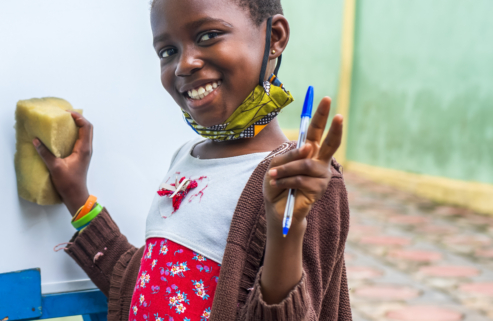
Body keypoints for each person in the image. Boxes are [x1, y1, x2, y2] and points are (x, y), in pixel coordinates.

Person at [32, 0, 350, 320]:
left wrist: (288, 231)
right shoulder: (185, 157)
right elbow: (141, 284)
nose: (184, 64)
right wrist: (77, 196)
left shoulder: (301, 183)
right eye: (167, 51)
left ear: (275, 37)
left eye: (208, 35)